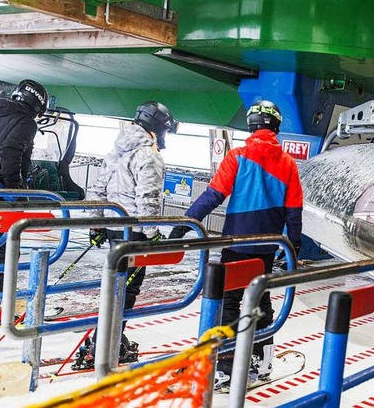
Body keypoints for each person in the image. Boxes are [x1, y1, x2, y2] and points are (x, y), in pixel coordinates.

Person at [169, 99, 303, 390]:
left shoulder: (238, 156)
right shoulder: (289, 163)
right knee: (261, 301)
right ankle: (263, 360)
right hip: (268, 246)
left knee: (229, 302)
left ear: (250, 126)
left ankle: (227, 366)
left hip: (237, 243)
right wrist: (293, 246)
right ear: (276, 128)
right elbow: (294, 210)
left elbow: (213, 195)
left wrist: (186, 223)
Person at [76, 101, 177, 369]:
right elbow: (148, 198)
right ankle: (107, 342)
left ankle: (107, 338)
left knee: (116, 284)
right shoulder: (148, 154)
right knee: (128, 288)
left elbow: (98, 189)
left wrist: (96, 225)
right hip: (135, 232)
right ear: (157, 128)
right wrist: (153, 234)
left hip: (114, 228)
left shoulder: (116, 151)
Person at [0, 79, 49, 324]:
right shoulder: (25, 122)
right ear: (36, 107)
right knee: (7, 249)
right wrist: (15, 190)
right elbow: (10, 151)